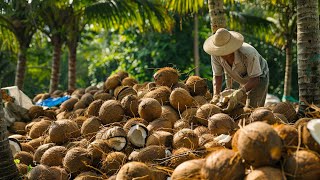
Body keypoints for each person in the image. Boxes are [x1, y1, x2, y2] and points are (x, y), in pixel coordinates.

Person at [203, 28, 269, 112]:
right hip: (237, 76)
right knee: (231, 107)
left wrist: (240, 92)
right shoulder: (215, 54)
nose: (221, 53)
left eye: (224, 50)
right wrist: (216, 95)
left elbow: (255, 78)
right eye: (219, 50)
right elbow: (217, 75)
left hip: (259, 76)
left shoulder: (248, 54)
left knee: (252, 110)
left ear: (231, 48)